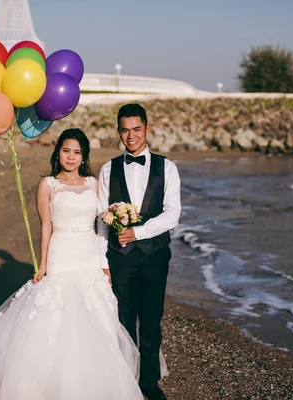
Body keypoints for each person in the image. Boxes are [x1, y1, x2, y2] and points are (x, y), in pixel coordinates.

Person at [0, 128, 143, 400]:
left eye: (77, 152)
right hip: (61, 252)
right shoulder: (47, 185)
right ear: (58, 152)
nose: (71, 157)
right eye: (66, 151)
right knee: (57, 313)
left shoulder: (93, 183)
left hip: (88, 253)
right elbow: (46, 227)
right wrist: (42, 264)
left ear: (84, 156)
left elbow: (102, 227)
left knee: (96, 312)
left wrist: (104, 263)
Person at [97, 103, 181, 400]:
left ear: (147, 129)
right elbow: (101, 219)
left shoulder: (166, 167)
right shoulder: (108, 169)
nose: (130, 136)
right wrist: (101, 260)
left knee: (151, 319)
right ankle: (126, 379)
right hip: (119, 258)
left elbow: (173, 214)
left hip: (156, 256)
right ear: (118, 131)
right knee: (123, 319)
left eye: (136, 129)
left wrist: (139, 232)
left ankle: (148, 381)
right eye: (124, 130)